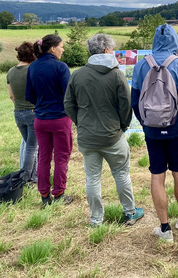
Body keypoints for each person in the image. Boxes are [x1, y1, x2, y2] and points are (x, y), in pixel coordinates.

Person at [64, 34, 144, 227]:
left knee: (92, 178)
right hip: (113, 135)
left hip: (88, 137)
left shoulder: (78, 75)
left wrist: (81, 122)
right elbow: (126, 105)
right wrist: (123, 126)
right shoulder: (116, 74)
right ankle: (129, 212)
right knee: (121, 174)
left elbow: (68, 104)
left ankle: (96, 220)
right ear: (107, 50)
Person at [131, 24, 178, 242]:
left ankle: (164, 228)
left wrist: (145, 123)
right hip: (177, 129)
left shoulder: (142, 65)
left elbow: (135, 100)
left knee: (156, 175)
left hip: (152, 130)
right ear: (174, 41)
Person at [25, 34, 73, 207]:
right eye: (61, 46)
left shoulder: (32, 67)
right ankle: (59, 193)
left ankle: (44, 196)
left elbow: (29, 95)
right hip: (60, 118)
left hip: (40, 119)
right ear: (52, 48)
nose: (63, 49)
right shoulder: (61, 67)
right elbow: (69, 94)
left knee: (44, 157)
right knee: (61, 157)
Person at [7, 42, 38, 184]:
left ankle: (33, 176)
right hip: (32, 112)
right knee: (32, 148)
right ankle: (25, 179)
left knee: (29, 145)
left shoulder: (10, 72)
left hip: (18, 113)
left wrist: (20, 106)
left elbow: (11, 96)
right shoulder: (33, 70)